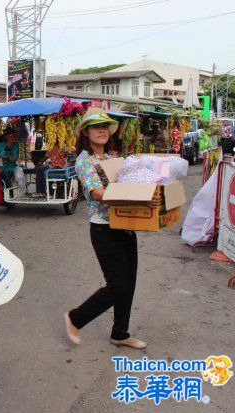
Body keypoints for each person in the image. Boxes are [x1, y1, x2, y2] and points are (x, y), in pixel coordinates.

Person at [64, 108, 147, 350]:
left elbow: (131, 183)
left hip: (126, 225)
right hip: (104, 229)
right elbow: (96, 193)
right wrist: (130, 194)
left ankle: (120, 333)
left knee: (129, 283)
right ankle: (75, 318)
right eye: (95, 126)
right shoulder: (84, 160)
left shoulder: (113, 158)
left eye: (104, 126)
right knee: (117, 285)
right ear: (87, 132)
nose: (101, 130)